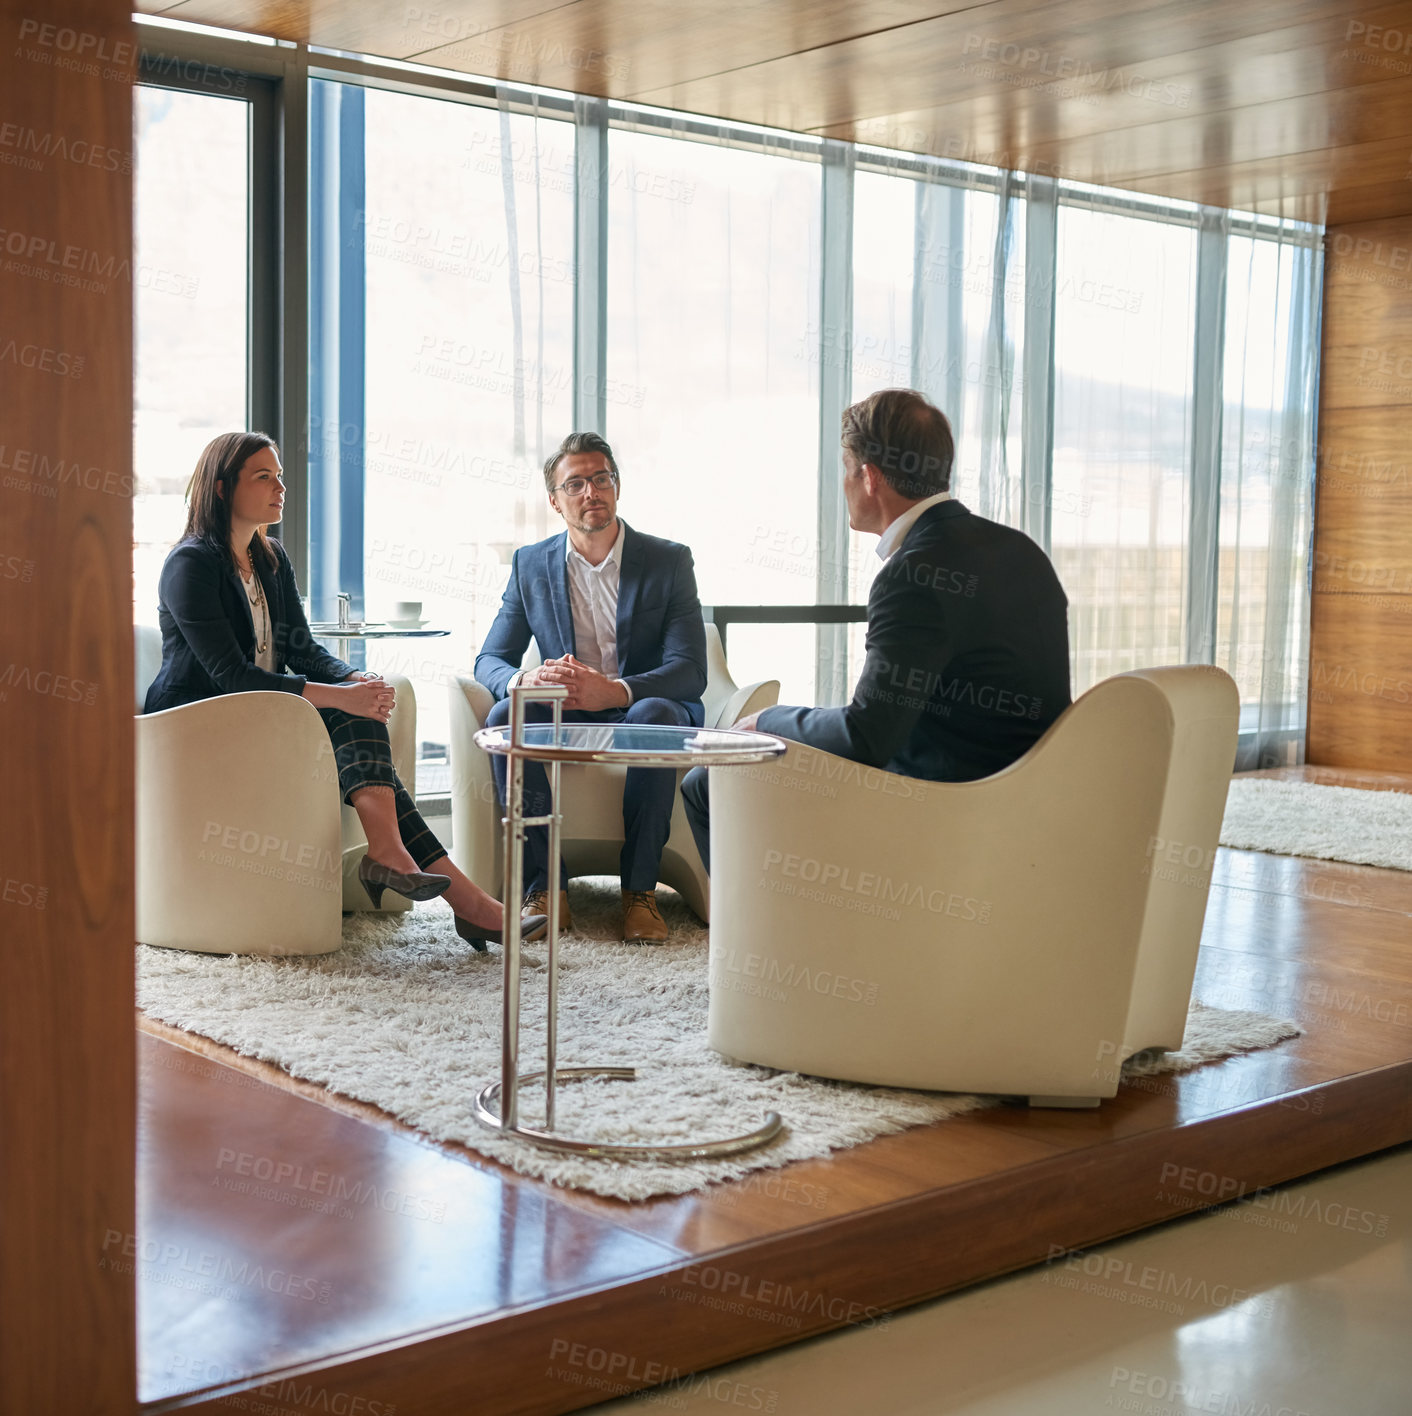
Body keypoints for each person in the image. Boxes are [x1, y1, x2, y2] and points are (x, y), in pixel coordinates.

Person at [144, 431, 534, 950]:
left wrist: (353, 680)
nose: (280, 486)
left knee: (359, 714)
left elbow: (302, 650)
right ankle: (462, 900)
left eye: (280, 475)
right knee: (352, 715)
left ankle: (409, 866)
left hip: (267, 715)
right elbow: (230, 676)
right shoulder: (191, 565)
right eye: (263, 476)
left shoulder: (270, 559)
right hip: (198, 725)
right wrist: (339, 696)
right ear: (220, 489)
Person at [681, 388, 1072, 868]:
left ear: (867, 477)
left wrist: (768, 719)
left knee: (707, 782)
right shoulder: (1022, 551)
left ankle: (767, 937)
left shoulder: (913, 572)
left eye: (844, 469)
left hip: (939, 805)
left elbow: (867, 737)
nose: (842, 483)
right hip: (1030, 799)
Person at [474, 431, 708, 944]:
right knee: (503, 718)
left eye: (601, 479)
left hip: (643, 706)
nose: (590, 492)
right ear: (555, 501)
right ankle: (545, 886)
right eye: (575, 483)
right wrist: (523, 679)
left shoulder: (668, 561)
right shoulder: (531, 564)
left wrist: (617, 690)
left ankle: (640, 892)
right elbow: (489, 659)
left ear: (617, 488)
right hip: (571, 710)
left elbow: (691, 670)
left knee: (657, 716)